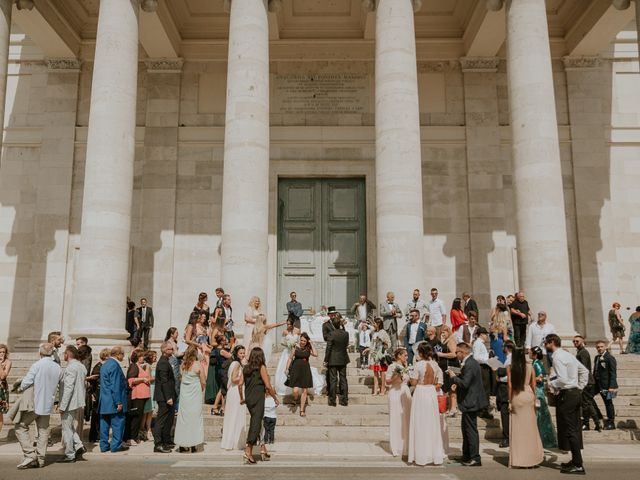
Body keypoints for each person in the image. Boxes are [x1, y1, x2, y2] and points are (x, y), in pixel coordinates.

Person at [544, 334, 589, 475]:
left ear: (552, 342)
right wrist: (579, 387)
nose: (545, 345)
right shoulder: (567, 354)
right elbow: (585, 371)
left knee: (569, 430)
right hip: (574, 393)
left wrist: (550, 383)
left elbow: (562, 379)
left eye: (546, 342)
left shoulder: (557, 357)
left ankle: (578, 465)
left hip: (567, 395)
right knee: (573, 428)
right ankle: (576, 460)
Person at [15, 343, 61, 469]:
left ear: (40, 353)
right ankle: (41, 458)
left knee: (20, 426)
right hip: (47, 403)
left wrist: (20, 386)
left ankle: (30, 454)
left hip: (35, 401)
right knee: (43, 430)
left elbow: (27, 382)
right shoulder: (57, 367)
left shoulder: (37, 365)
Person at [449, 342, 487, 467]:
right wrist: (457, 382)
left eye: (457, 352)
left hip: (471, 401)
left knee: (470, 430)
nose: (456, 355)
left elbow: (465, 383)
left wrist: (454, 377)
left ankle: (475, 457)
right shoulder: (469, 363)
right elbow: (467, 382)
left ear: (463, 352)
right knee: (465, 429)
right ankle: (467, 455)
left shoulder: (470, 363)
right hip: (468, 400)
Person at [408, 343, 445, 466]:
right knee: (431, 422)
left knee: (420, 422)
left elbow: (413, 382)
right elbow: (439, 381)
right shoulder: (435, 365)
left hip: (421, 391)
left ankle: (420, 454)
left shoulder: (418, 365)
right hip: (431, 391)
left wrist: (409, 377)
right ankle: (432, 454)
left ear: (421, 353)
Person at [241, 348, 279, 464]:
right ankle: (248, 451)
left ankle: (262, 449)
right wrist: (275, 398)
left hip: (249, 398)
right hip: (258, 398)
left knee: (256, 422)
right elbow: (267, 385)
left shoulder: (246, 368)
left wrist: (242, 398)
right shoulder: (261, 367)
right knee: (256, 424)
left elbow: (239, 384)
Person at [507, 347, 544, 468]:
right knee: (531, 429)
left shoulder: (510, 368)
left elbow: (510, 385)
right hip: (528, 395)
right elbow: (533, 384)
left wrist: (509, 401)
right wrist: (535, 398)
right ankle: (532, 459)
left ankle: (519, 459)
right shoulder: (530, 367)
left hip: (517, 396)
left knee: (518, 430)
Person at [58, 345, 87, 463]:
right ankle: (79, 446)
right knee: (69, 426)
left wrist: (62, 405)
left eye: (64, 353)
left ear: (67, 354)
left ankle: (70, 454)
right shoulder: (81, 366)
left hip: (70, 402)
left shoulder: (71, 368)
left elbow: (68, 388)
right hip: (78, 401)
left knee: (66, 429)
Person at [174, 346, 205, 453]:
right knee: (195, 418)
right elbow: (203, 381)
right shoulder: (198, 365)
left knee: (183, 418)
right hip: (195, 393)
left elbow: (181, 378)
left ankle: (182, 444)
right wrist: (200, 389)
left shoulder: (182, 365)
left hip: (184, 394)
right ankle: (193, 444)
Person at [99, 346, 129, 453]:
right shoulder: (115, 365)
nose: (123, 357)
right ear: (118, 354)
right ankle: (116, 445)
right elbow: (115, 385)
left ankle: (103, 445)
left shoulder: (104, 365)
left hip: (104, 400)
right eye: (123, 355)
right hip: (113, 400)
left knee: (104, 424)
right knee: (118, 423)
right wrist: (119, 402)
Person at [529, 346, 558, 448]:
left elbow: (540, 378)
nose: (528, 353)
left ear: (535, 354)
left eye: (530, 352)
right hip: (537, 390)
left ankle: (544, 439)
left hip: (538, 391)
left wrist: (529, 379)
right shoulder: (535, 363)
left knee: (540, 416)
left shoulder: (536, 364)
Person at [573, 335, 603, 431]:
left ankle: (595, 423)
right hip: (586, 381)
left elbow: (584, 369)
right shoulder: (580, 352)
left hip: (587, 381)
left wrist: (582, 382)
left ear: (582, 342)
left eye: (577, 341)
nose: (575, 343)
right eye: (574, 341)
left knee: (587, 403)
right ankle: (590, 423)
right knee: (586, 403)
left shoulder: (583, 353)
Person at [387, 348, 412, 458]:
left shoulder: (407, 367)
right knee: (396, 418)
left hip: (405, 392)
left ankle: (406, 446)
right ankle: (396, 446)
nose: (406, 357)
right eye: (405, 355)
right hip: (395, 392)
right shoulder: (392, 367)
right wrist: (396, 376)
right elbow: (387, 381)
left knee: (406, 419)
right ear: (398, 356)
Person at [221, 345, 247, 450]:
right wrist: (244, 377)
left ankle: (233, 441)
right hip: (236, 392)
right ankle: (234, 441)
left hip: (235, 391)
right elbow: (233, 379)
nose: (242, 354)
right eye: (240, 353)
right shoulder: (236, 364)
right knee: (235, 415)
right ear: (236, 354)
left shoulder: (237, 363)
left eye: (243, 352)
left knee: (235, 415)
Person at [286, 333, 318, 414]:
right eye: (301, 340)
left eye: (304, 341)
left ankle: (302, 410)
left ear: (307, 341)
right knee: (295, 390)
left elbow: (316, 354)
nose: (302, 342)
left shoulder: (308, 348)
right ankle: (295, 398)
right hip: (295, 369)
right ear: (299, 339)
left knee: (304, 391)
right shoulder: (295, 347)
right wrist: (286, 368)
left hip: (305, 370)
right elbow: (290, 358)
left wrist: (311, 343)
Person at [153, 341, 176, 453]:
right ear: (165, 350)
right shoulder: (163, 363)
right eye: (170, 349)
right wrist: (168, 397)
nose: (172, 351)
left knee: (168, 420)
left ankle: (165, 441)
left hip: (168, 396)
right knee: (161, 421)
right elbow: (164, 382)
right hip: (164, 397)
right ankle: (158, 444)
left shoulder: (165, 361)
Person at [125, 349, 151, 444]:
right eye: (141, 356)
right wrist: (143, 379)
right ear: (137, 357)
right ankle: (131, 437)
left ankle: (134, 437)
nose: (143, 358)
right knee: (135, 417)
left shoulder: (139, 366)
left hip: (142, 395)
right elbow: (130, 380)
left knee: (138, 417)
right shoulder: (134, 366)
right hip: (137, 395)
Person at [324, 318, 350, 407]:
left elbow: (328, 348)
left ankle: (332, 400)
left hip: (333, 359)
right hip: (343, 358)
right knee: (343, 379)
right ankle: (344, 400)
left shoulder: (331, 334)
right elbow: (346, 345)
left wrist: (325, 360)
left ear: (333, 325)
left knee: (333, 380)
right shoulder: (346, 333)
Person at [593, 340, 618, 430]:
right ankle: (598, 414)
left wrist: (612, 386)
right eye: (598, 347)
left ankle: (611, 422)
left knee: (609, 403)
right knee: (587, 396)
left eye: (601, 346)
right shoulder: (597, 357)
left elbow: (613, 373)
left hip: (609, 386)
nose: (599, 348)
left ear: (605, 347)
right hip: (597, 384)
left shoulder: (610, 358)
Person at [494, 340, 515, 448]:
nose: (502, 348)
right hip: (503, 389)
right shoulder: (508, 358)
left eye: (503, 346)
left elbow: (510, 376)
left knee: (505, 415)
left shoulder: (511, 359)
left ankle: (506, 437)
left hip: (506, 389)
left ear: (507, 347)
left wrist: (500, 378)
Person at [436, 324, 460, 416]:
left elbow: (454, 354)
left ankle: (453, 408)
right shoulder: (445, 340)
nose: (442, 334)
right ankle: (450, 407)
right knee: (448, 388)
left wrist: (441, 355)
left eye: (444, 332)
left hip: (452, 367)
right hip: (446, 367)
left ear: (448, 331)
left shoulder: (451, 340)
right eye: (441, 333)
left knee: (452, 387)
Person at [87, 348, 110, 443]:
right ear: (106, 356)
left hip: (100, 394)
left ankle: (99, 435)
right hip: (97, 394)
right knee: (96, 416)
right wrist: (92, 394)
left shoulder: (102, 366)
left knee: (100, 415)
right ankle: (94, 435)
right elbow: (93, 382)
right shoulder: (99, 367)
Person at [473, 327, 493, 419]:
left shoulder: (480, 344)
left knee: (486, 389)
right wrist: (487, 360)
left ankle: (483, 409)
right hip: (482, 367)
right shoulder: (478, 344)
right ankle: (483, 410)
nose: (487, 336)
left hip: (484, 366)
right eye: (486, 334)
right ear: (481, 334)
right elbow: (476, 357)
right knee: (484, 389)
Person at [369, 318, 391, 395]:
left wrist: (382, 341)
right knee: (375, 373)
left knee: (382, 372)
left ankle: (383, 388)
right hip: (374, 355)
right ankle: (375, 389)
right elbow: (372, 344)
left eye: (374, 323)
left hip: (381, 354)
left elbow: (389, 343)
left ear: (378, 324)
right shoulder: (373, 332)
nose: (373, 324)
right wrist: (369, 350)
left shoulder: (383, 332)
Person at [140, 350, 157, 442]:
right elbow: (148, 378)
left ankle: (147, 429)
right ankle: (144, 430)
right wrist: (158, 377)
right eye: (154, 356)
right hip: (149, 389)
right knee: (147, 411)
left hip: (152, 389)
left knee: (149, 411)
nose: (155, 358)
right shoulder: (147, 366)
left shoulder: (148, 365)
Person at [489, 295, 512, 362]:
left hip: (493, 343)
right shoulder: (503, 325)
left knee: (495, 360)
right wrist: (509, 339)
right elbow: (505, 338)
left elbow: (490, 334)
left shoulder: (492, 325)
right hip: (500, 343)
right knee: (501, 359)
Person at [0, 344, 12, 435]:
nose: (1, 354)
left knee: (0, 415)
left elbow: (3, 376)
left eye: (3, 352)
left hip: (1, 389)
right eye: (0, 352)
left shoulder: (8, 362)